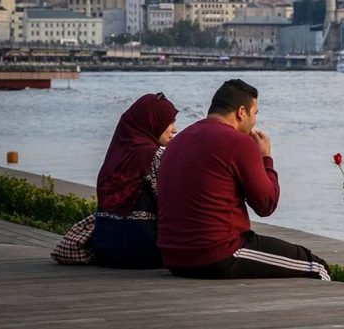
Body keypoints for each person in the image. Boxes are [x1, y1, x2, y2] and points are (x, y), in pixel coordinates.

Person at [157, 79, 330, 280]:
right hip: (219, 253)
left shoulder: (179, 141)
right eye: (255, 113)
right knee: (317, 267)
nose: (255, 120)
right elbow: (266, 204)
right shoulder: (237, 142)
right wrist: (266, 157)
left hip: (173, 258)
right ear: (241, 112)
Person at [92, 92, 179, 268]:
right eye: (169, 122)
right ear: (153, 122)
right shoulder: (154, 155)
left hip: (103, 249)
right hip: (144, 251)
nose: (175, 129)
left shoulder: (114, 156)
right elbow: (171, 205)